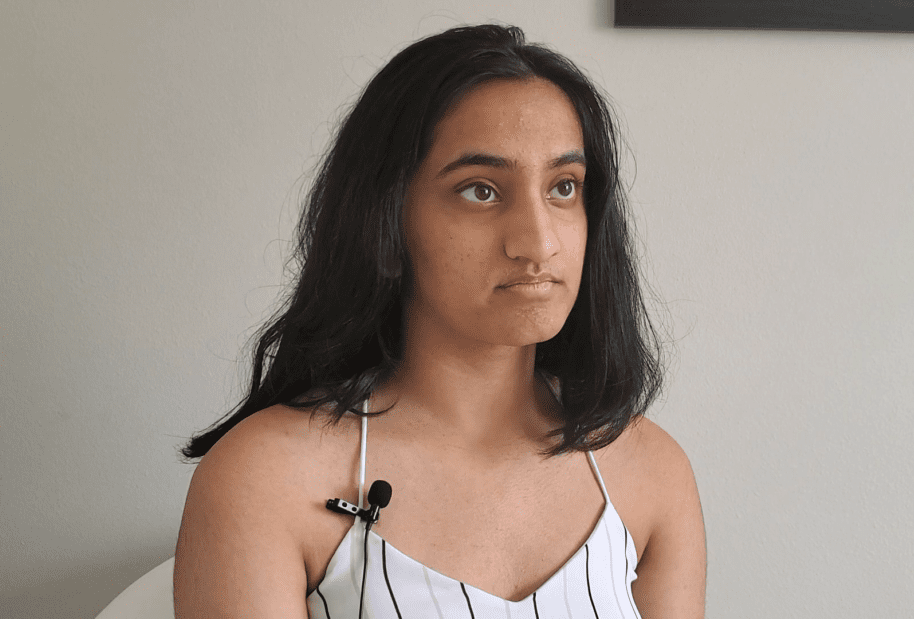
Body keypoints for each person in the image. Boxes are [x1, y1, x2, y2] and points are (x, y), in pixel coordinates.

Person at [173, 24, 706, 618]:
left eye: (562, 187)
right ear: (385, 220)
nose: (538, 243)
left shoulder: (651, 472)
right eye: (480, 191)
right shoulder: (265, 478)